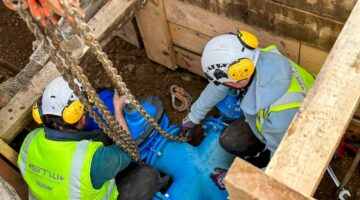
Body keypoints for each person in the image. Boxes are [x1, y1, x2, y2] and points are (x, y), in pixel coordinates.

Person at [181, 30, 315, 167]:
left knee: (232, 141)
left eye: (223, 82)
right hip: (306, 102)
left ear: (236, 80)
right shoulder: (258, 58)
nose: (220, 84)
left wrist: (238, 179)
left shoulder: (279, 119)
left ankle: (262, 157)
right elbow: (218, 86)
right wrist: (194, 117)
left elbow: (283, 164)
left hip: (301, 134)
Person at [18, 76, 163, 200]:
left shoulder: (30, 140)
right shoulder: (90, 160)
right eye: (85, 110)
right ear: (78, 117)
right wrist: (118, 110)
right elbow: (129, 150)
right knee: (148, 176)